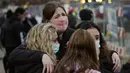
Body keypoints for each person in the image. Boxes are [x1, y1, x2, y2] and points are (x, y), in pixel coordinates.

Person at [8, 1, 74, 73]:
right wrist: (41, 56)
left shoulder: (74, 34)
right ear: (47, 21)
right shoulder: (40, 35)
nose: (62, 19)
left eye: (63, 14)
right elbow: (14, 55)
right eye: (57, 17)